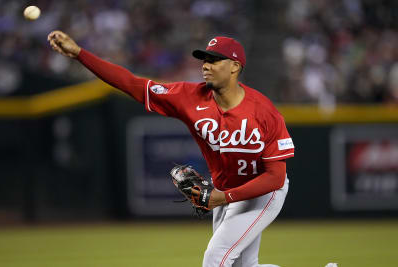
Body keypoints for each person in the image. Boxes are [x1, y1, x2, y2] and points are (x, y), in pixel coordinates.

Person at [48, 31, 294, 267]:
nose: (205, 65)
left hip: (263, 191)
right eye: (204, 60)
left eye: (214, 60)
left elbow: (275, 177)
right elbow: (131, 83)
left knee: (216, 257)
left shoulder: (263, 111)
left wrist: (222, 197)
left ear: (235, 66)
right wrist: (80, 54)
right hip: (227, 190)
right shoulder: (189, 97)